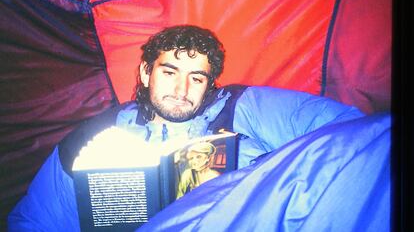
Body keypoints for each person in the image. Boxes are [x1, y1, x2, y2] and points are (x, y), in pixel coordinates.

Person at [8, 25, 367, 231]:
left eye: (196, 78)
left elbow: (354, 135)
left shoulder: (245, 107)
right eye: (169, 72)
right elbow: (35, 222)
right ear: (146, 73)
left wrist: (262, 178)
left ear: (209, 84)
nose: (182, 91)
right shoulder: (91, 136)